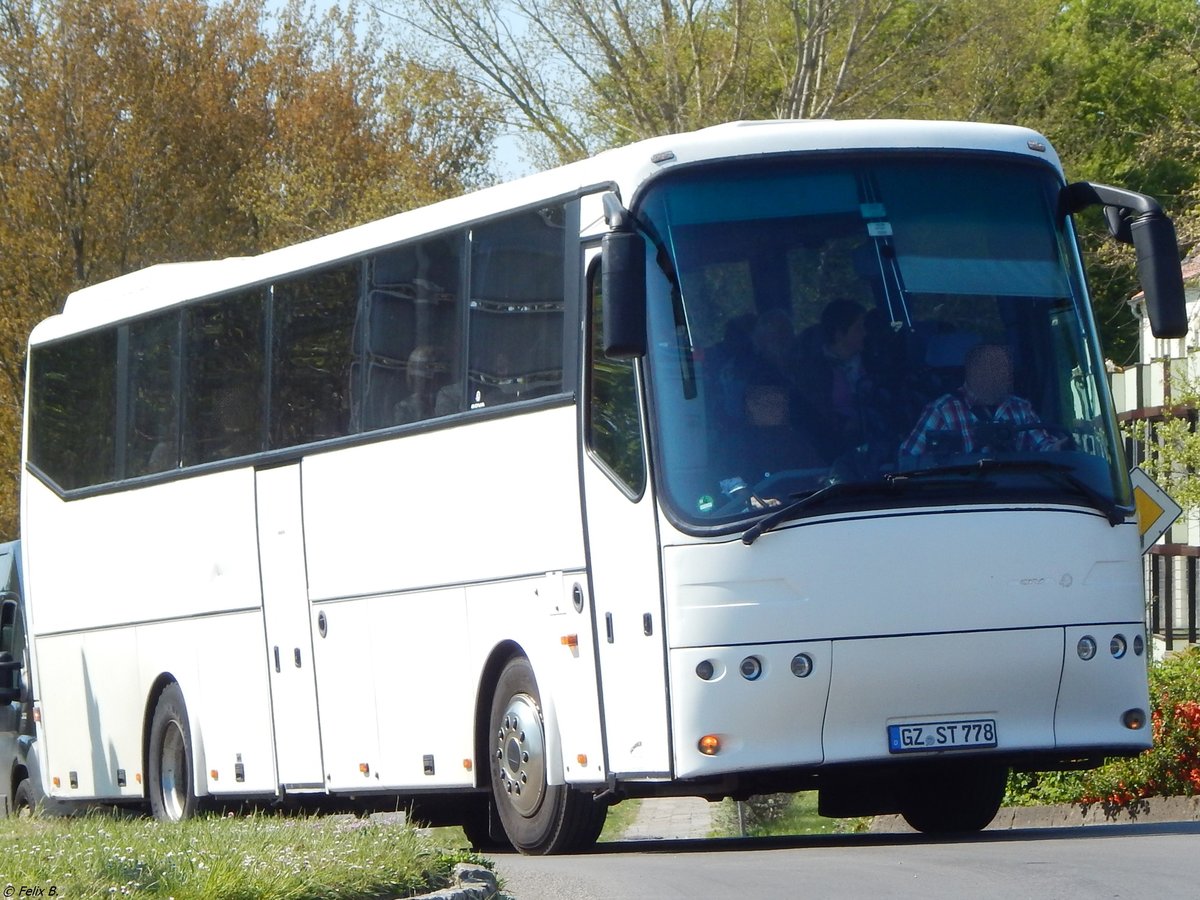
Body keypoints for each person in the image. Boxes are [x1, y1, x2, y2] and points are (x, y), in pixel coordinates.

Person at [900, 343, 1063, 457]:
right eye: (992, 369)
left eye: (1004, 369)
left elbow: (1044, 448)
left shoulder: (1020, 408)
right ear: (973, 372)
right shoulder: (943, 410)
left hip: (1016, 493)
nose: (1002, 375)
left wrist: (1059, 449)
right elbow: (908, 459)